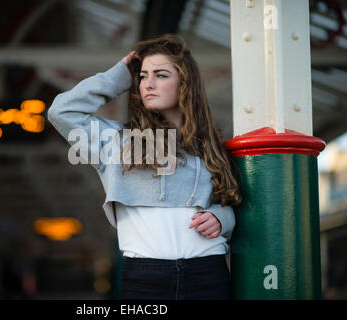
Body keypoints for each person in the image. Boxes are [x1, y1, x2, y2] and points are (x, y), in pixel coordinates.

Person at [47, 34, 242, 300]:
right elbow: (62, 112)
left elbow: (231, 203)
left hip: (208, 273)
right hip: (145, 279)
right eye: (142, 76)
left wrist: (221, 218)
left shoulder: (212, 145)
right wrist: (119, 75)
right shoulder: (115, 143)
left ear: (185, 83)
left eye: (161, 75)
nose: (148, 84)